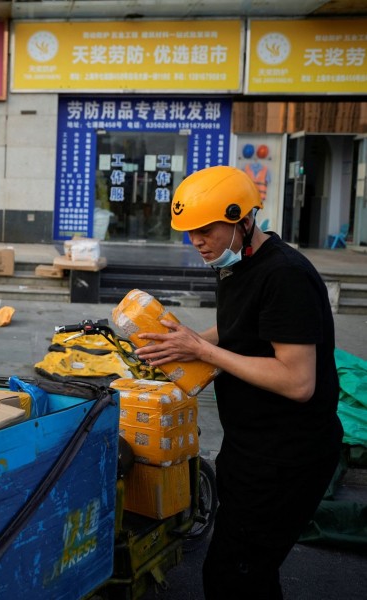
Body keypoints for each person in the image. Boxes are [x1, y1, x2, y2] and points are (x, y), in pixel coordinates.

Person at [134, 165, 342, 600]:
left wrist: (204, 352)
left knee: (235, 576)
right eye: (189, 233)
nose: (196, 242)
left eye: (205, 230)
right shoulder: (237, 263)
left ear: (243, 220)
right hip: (251, 445)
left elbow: (298, 379)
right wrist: (183, 343)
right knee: (245, 571)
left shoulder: (284, 275)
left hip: (287, 457)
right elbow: (240, 328)